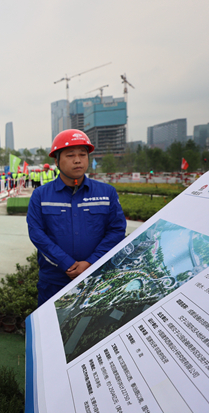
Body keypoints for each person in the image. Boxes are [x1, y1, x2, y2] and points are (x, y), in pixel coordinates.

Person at [27, 130, 126, 306]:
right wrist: (66, 263)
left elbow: (116, 230)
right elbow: (37, 234)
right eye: (70, 155)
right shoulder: (41, 195)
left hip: (96, 278)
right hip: (54, 281)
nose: (78, 160)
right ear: (56, 161)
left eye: (82, 154)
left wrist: (90, 262)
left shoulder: (106, 193)